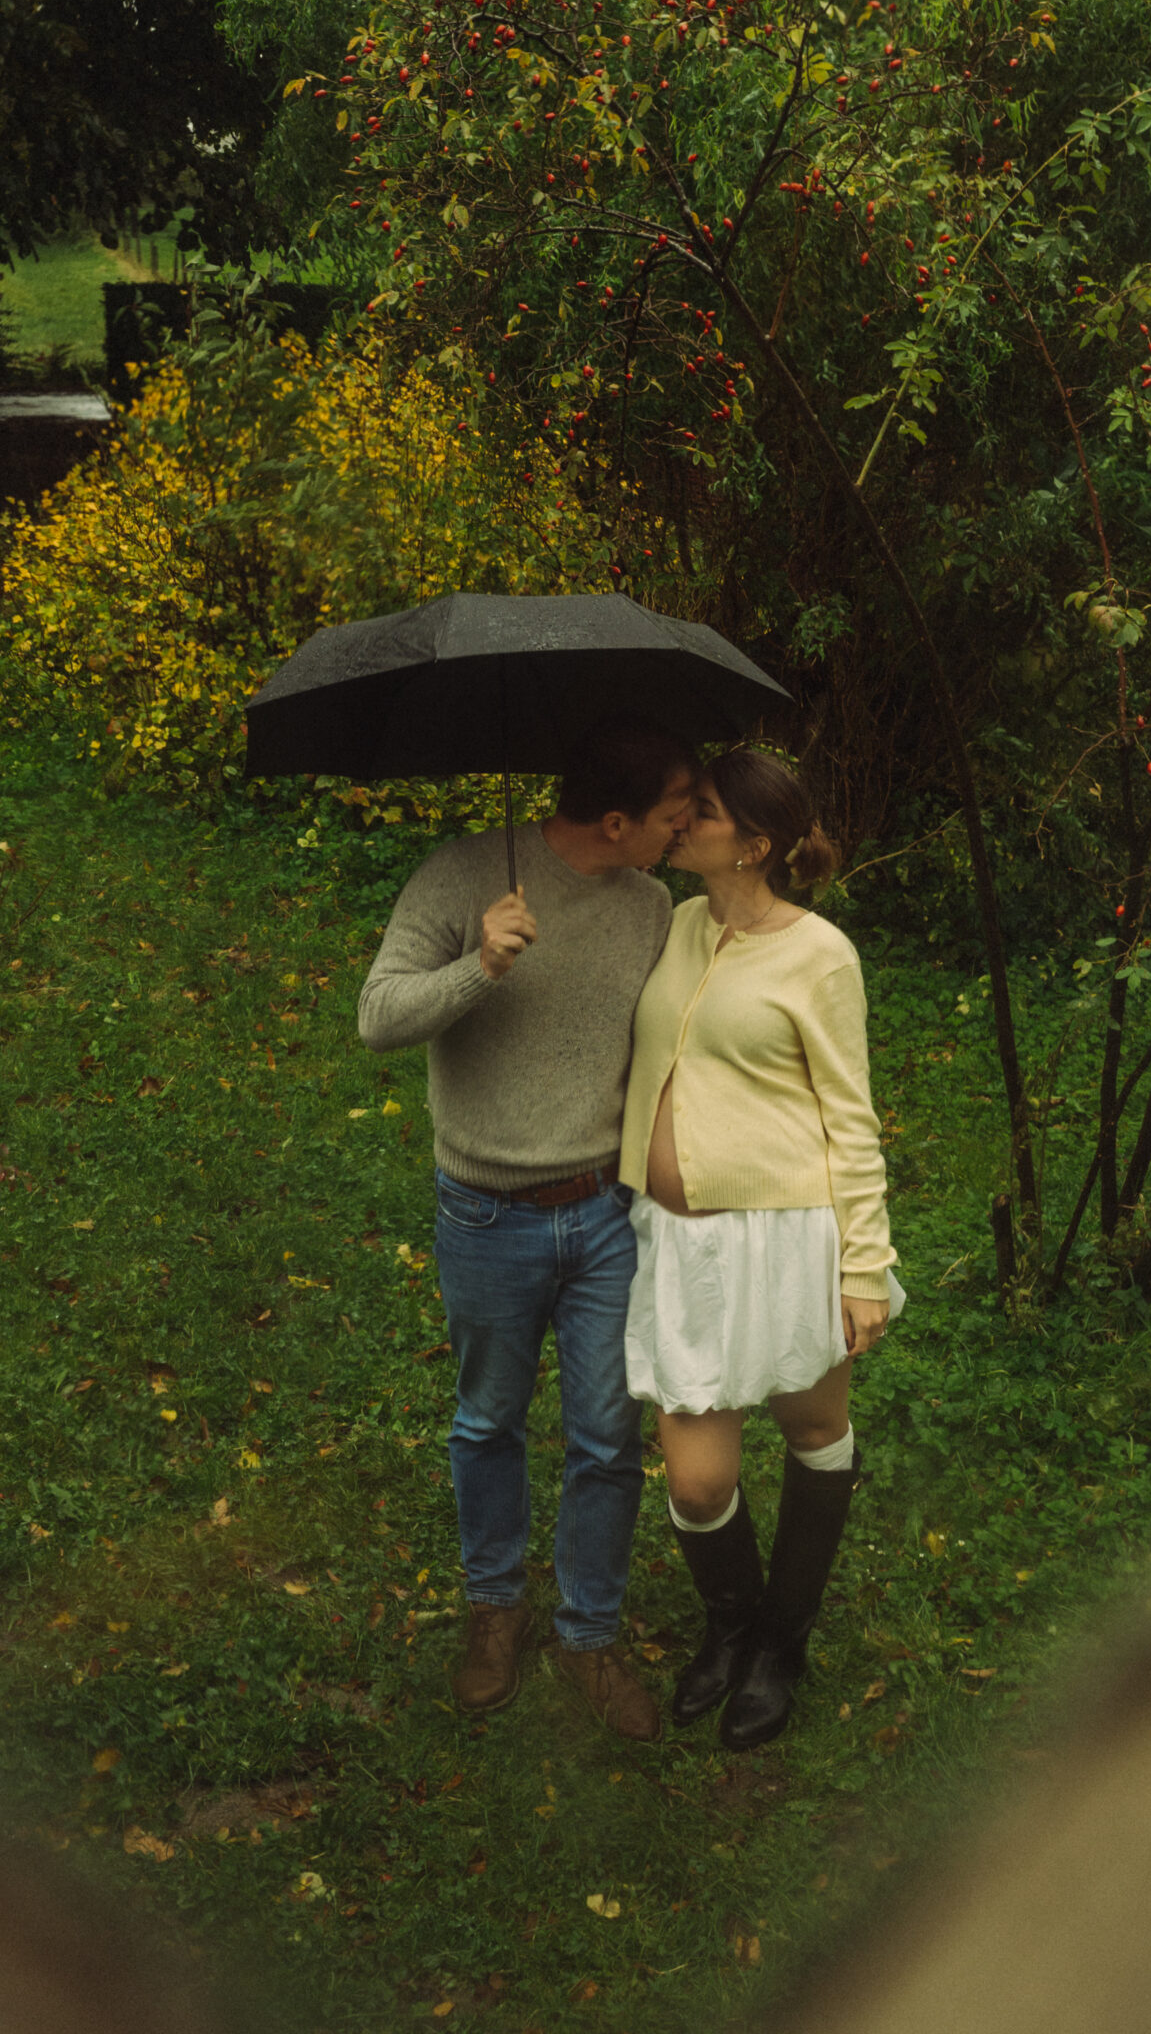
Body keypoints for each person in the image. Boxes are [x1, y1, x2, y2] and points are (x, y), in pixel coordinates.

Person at [357, 716, 695, 1741]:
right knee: (488, 1421)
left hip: (602, 1211)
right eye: (674, 814)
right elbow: (377, 1017)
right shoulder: (462, 879)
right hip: (487, 1212)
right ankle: (494, 1609)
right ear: (615, 818)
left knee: (608, 1436)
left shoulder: (652, 907)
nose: (686, 828)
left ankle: (589, 1633)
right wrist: (481, 966)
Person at [618, 747, 902, 1747]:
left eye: (700, 811)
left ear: (756, 842)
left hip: (786, 1238)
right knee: (697, 1479)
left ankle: (783, 1643)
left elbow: (851, 1119)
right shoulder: (674, 926)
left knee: (813, 1428)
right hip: (677, 1245)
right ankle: (732, 1625)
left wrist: (863, 1268)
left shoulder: (819, 954)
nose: (678, 821)